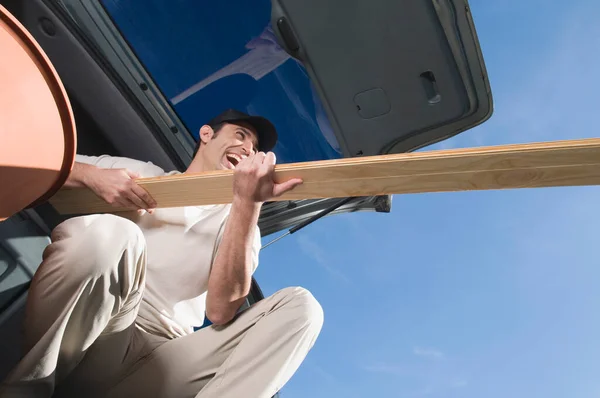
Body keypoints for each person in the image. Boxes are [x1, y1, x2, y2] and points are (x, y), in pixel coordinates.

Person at [0, 109, 324, 398]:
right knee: (115, 233)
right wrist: (90, 175)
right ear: (207, 135)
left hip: (165, 362)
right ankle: (26, 388)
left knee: (302, 307)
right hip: (100, 332)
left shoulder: (242, 224)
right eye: (240, 136)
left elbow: (221, 311)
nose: (247, 149)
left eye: (254, 149)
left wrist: (247, 203)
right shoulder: (141, 174)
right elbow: (28, 166)